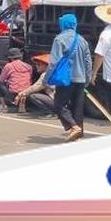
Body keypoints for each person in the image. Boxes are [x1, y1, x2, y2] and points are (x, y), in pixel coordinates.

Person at [48, 13, 92, 141]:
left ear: (63, 24)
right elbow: (88, 61)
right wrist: (88, 78)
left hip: (66, 79)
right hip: (81, 78)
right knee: (77, 107)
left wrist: (47, 79)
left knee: (59, 105)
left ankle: (74, 127)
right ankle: (77, 135)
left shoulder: (59, 39)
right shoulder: (82, 40)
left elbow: (54, 62)